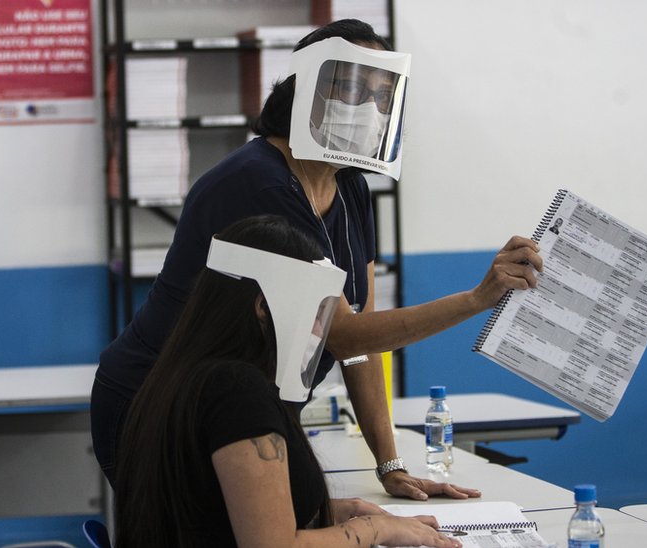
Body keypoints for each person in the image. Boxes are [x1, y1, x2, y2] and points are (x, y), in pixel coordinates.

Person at [92, 19, 543, 500]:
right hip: (157, 406)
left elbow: (360, 342)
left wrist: (389, 464)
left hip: (237, 408)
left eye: (381, 94)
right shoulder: (258, 182)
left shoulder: (351, 187)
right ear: (304, 89)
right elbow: (342, 331)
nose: (368, 107)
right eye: (350, 88)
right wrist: (478, 299)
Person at [115, 215, 461, 548]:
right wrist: (374, 529)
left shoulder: (185, 374)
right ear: (264, 306)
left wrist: (330, 513)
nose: (317, 331)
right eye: (314, 312)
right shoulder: (236, 391)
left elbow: (212, 516)